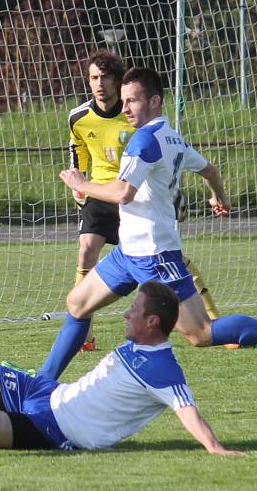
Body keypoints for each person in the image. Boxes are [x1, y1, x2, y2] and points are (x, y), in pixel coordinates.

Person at [36, 67, 257, 382]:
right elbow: (210, 170)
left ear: (155, 101)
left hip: (155, 256)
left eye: (132, 101)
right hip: (129, 253)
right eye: (124, 101)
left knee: (200, 333)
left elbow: (123, 193)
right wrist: (219, 198)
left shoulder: (144, 141)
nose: (125, 108)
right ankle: (42, 382)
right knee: (77, 304)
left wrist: (82, 183)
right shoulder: (171, 137)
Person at [0, 282, 242, 454]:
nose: (126, 313)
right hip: (46, 393)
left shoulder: (164, 369)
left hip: (52, 429)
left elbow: (188, 411)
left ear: (152, 322)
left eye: (133, 309)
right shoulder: (137, 342)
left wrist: (216, 448)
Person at [66, 50, 220, 352]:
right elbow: (77, 146)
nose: (99, 85)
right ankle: (84, 336)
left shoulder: (141, 126)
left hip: (134, 198)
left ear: (118, 82)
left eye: (105, 78)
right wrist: (81, 180)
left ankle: (217, 323)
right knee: (86, 253)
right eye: (93, 78)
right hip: (102, 192)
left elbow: (131, 186)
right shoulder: (80, 116)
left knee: (196, 328)